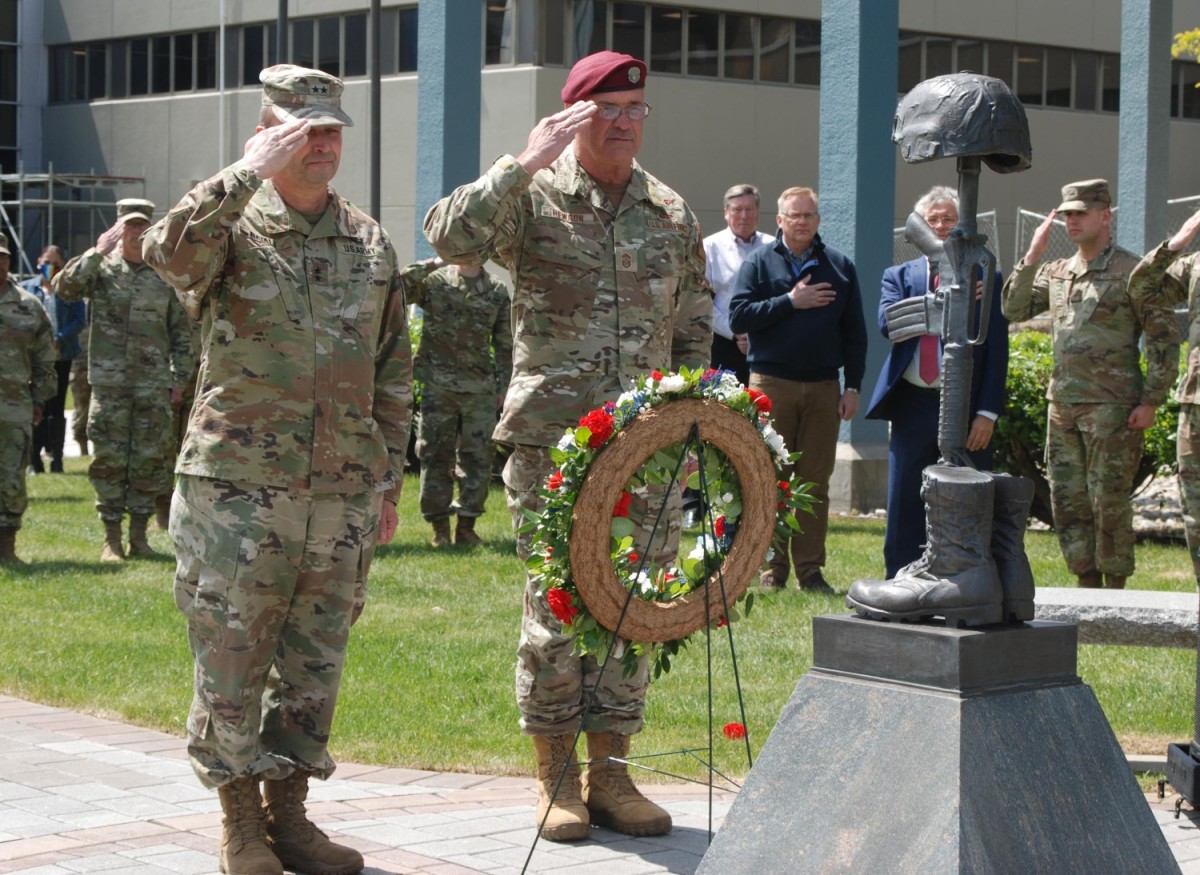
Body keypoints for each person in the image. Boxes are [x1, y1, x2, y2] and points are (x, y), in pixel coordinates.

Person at [425, 50, 712, 843]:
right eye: (605, 111)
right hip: (554, 439)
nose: (622, 124)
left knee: (632, 598)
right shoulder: (534, 199)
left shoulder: (669, 210)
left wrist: (690, 412)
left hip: (645, 445)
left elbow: (692, 315)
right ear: (575, 116)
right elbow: (451, 237)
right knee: (559, 601)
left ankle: (612, 770)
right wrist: (522, 162)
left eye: (634, 110)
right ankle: (555, 774)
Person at [142, 64, 412, 875]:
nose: (321, 143)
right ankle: (240, 824)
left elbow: (392, 369)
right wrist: (244, 172)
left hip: (339, 496)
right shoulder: (229, 223)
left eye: (331, 129)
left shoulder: (368, 240)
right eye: (303, 128)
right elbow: (166, 252)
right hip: (236, 495)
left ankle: (290, 815)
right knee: (231, 657)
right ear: (268, 129)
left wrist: (387, 482)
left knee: (313, 662)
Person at [1001, 178, 1178, 589]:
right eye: (1067, 215)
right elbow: (1013, 309)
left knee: (1108, 501)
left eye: (1081, 213)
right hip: (1062, 404)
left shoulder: (1132, 271)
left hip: (1113, 406)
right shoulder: (1058, 271)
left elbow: (1164, 338)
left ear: (1105, 215)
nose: (1072, 221)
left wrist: (1151, 399)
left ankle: (1116, 587)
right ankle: (1085, 581)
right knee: (1068, 500)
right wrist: (1032, 255)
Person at [864, 186, 1009, 577]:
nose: (942, 226)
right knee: (905, 499)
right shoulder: (898, 276)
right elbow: (887, 324)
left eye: (949, 219)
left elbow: (998, 350)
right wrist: (948, 303)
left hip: (965, 405)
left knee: (971, 498)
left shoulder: (986, 277)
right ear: (919, 228)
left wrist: (987, 412)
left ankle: (971, 577)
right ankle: (900, 579)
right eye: (934, 220)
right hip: (913, 402)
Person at [729, 186, 867, 594]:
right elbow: (739, 315)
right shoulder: (759, 263)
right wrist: (791, 301)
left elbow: (855, 334)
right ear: (780, 219)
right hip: (771, 383)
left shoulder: (839, 267)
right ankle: (774, 569)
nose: (802, 221)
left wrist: (853, 387)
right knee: (771, 477)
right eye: (795, 215)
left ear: (818, 220)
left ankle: (810, 571)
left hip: (825, 387)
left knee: (814, 482)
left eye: (809, 215)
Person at [54, 199, 194, 562]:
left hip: (152, 385)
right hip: (110, 384)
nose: (135, 232)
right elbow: (64, 289)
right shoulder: (101, 270)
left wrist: (179, 378)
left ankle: (140, 537)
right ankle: (111, 538)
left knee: (149, 460)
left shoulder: (163, 274)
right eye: (129, 226)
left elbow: (180, 333)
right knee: (110, 460)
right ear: (117, 230)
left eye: (141, 226)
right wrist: (95, 252)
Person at [401, 257, 512, 548]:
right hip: (438, 384)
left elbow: (504, 344)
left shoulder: (497, 290)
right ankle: (439, 528)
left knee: (478, 457)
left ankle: (466, 525)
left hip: (479, 388)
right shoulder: (436, 282)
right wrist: (436, 261)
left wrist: (504, 387)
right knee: (435, 454)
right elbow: (399, 285)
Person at [1128, 209, 1200, 587]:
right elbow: (1141, 286)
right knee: (1195, 513)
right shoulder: (1194, 266)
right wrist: (1180, 240)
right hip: (1196, 404)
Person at [0, 233, 55, 563]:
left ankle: (6, 546)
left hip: (14, 406)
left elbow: (45, 358)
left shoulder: (28, 305)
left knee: (11, 476)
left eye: (4, 257)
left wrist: (39, 400)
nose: (0, 263)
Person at [20, 245, 85, 474]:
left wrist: (59, 337)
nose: (50, 267)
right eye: (46, 262)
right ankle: (34, 461)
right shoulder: (27, 290)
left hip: (61, 356)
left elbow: (79, 320)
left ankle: (57, 459)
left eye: (55, 263)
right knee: (36, 404)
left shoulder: (69, 291)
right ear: (38, 262)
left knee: (56, 409)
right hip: (35, 360)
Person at [705, 183, 771, 386]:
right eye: (737, 210)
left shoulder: (772, 248)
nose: (743, 216)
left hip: (767, 344)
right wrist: (735, 332)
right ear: (726, 212)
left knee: (764, 411)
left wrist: (756, 334)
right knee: (723, 412)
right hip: (723, 344)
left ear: (757, 213)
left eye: (749, 210)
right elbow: (703, 302)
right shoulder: (709, 248)